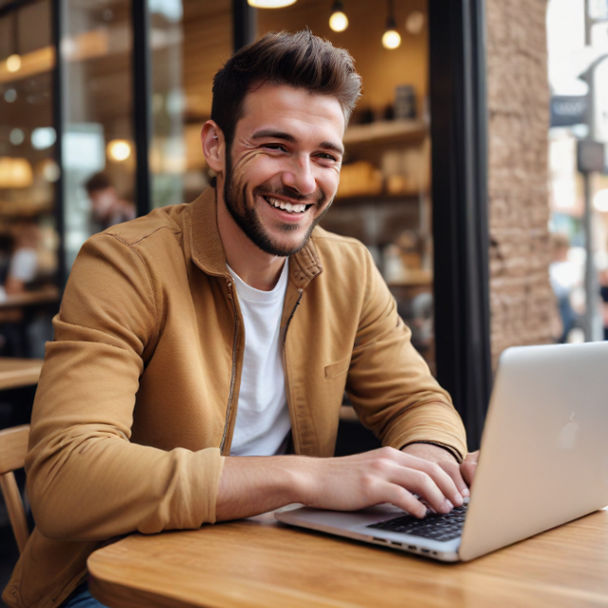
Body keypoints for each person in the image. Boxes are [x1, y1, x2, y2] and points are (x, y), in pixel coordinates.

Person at [3, 31, 477, 608]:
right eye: (276, 146)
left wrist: (430, 464)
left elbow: (417, 403)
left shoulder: (347, 268)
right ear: (216, 147)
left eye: (325, 155)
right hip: (110, 576)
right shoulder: (125, 263)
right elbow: (66, 480)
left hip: (274, 557)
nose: (304, 180)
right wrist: (307, 478)